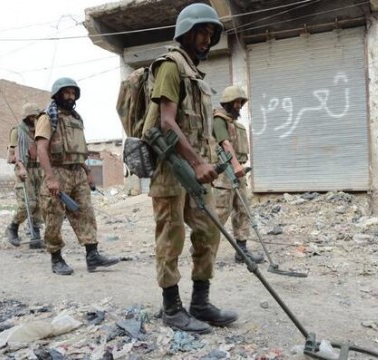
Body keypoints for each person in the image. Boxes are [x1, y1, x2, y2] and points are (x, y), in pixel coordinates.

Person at [147, 3, 237, 334]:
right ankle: (171, 308)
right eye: (201, 31)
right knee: (171, 237)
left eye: (211, 33)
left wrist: (204, 162)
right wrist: (197, 162)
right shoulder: (170, 66)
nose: (206, 38)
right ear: (186, 33)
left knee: (208, 231)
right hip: (172, 167)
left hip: (196, 169)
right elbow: (166, 122)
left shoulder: (195, 74)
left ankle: (200, 303)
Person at [35, 77, 119, 275]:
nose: (71, 96)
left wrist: (88, 172)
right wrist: (50, 178)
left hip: (77, 172)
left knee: (85, 213)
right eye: (67, 92)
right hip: (57, 171)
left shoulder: (76, 118)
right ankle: (56, 258)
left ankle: (92, 255)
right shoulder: (47, 117)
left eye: (73, 93)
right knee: (53, 216)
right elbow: (41, 149)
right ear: (58, 94)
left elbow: (79, 148)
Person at [212, 86, 265, 264]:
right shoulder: (219, 120)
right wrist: (235, 165)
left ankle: (241, 251)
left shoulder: (235, 123)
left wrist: (239, 168)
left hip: (238, 172)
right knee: (220, 212)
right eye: (235, 102)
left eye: (240, 102)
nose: (238, 105)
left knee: (243, 210)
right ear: (227, 103)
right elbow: (225, 144)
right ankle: (204, 251)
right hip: (224, 173)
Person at [5, 103, 45, 249]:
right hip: (24, 167)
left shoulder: (40, 131)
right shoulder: (18, 131)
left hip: (38, 169)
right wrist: (21, 168)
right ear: (27, 117)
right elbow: (15, 152)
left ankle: (35, 235)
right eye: (32, 116)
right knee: (27, 203)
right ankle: (13, 227)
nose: (35, 119)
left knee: (39, 204)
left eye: (37, 116)